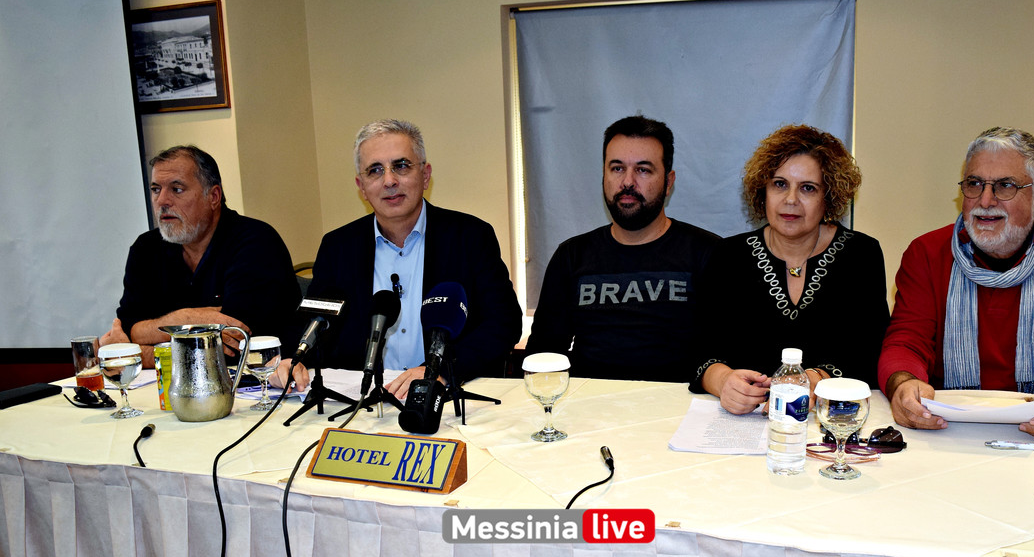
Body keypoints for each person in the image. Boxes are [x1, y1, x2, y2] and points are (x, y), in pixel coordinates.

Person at [878, 126, 1034, 443]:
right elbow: (906, 343)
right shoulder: (926, 253)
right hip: (945, 426)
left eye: (1005, 186)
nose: (986, 200)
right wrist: (904, 385)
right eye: (974, 184)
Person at [278, 119, 521, 398]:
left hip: (445, 396)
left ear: (425, 175)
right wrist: (292, 360)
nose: (389, 181)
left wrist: (440, 370)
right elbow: (315, 324)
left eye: (401, 166)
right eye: (375, 170)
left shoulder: (470, 237)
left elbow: (504, 323)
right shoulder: (338, 247)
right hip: (362, 401)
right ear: (361, 186)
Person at [690, 125, 889, 414]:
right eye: (780, 184)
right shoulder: (728, 255)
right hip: (743, 419)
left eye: (808, 188)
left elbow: (871, 351)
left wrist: (817, 379)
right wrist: (722, 382)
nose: (791, 199)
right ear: (763, 191)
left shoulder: (861, 255)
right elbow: (699, 351)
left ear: (829, 197)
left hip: (830, 418)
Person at [526, 116, 719, 382]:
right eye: (617, 168)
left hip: (679, 402)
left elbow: (723, 354)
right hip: (589, 402)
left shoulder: (710, 254)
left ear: (668, 182)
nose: (627, 182)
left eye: (643, 170)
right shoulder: (571, 256)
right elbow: (544, 354)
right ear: (604, 176)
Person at [100, 145, 300, 363]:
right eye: (156, 189)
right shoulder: (146, 248)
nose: (162, 201)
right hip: (167, 381)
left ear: (213, 196)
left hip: (259, 379)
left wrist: (140, 349)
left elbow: (234, 347)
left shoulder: (256, 242)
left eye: (177, 189)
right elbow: (126, 329)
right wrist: (185, 320)